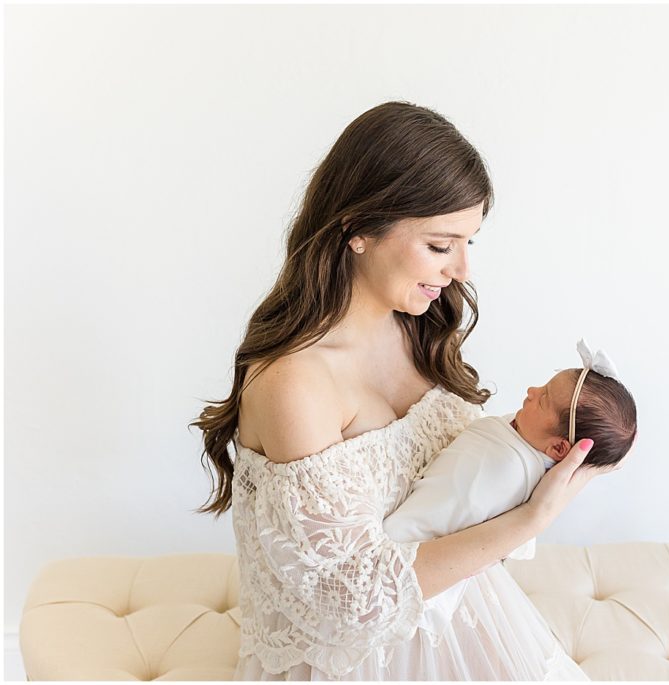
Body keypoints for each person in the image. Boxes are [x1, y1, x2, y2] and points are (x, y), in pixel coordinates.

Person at [190, 101, 628, 680]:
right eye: (442, 245)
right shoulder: (295, 384)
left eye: (469, 242)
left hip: (464, 622)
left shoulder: (417, 324)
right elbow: (349, 605)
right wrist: (528, 523)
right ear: (357, 230)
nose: (462, 270)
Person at [383, 341, 638, 639]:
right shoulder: (528, 442)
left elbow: (440, 511)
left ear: (558, 448)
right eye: (543, 386)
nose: (531, 391)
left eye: (542, 399)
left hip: (407, 562)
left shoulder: (500, 468)